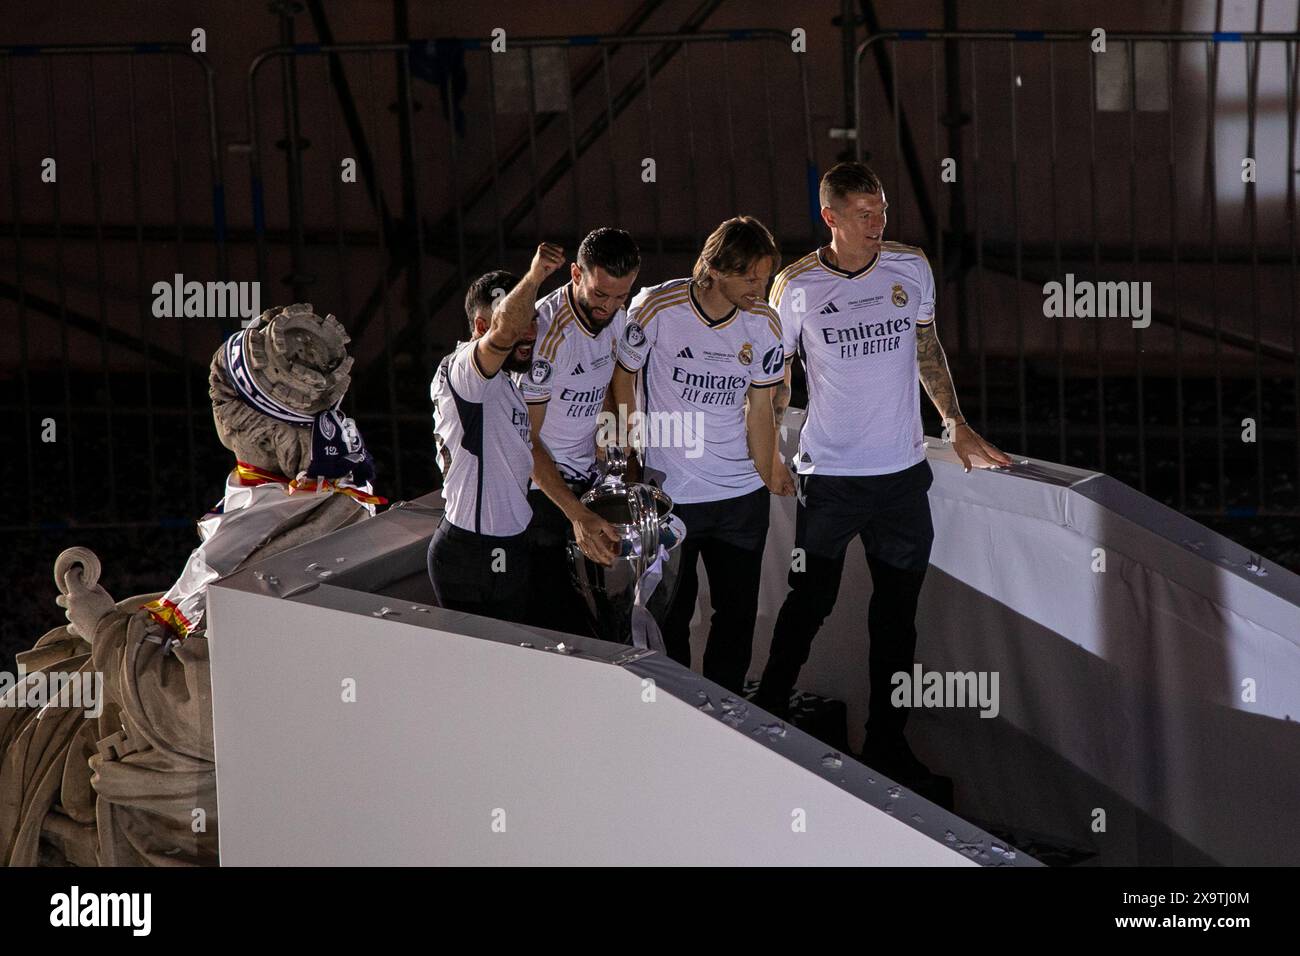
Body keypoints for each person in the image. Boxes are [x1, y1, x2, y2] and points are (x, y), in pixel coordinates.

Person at [753, 162, 1010, 788]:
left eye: (883, 210)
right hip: (831, 479)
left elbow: (926, 346)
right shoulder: (797, 286)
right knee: (810, 600)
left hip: (901, 478)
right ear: (831, 217)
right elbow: (774, 376)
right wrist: (767, 452)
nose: (878, 223)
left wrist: (955, 420)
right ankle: (765, 720)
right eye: (865, 214)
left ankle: (886, 744)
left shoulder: (909, 267)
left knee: (898, 619)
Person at [612, 216, 795, 694]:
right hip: (672, 496)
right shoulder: (656, 307)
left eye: (766, 276)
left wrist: (769, 467)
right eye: (751, 276)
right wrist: (631, 458)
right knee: (671, 611)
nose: (761, 286)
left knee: (736, 617)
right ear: (715, 269)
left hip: (740, 500)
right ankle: (676, 709)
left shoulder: (764, 322)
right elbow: (622, 379)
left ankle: (726, 712)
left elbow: (761, 408)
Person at [428, 243, 564, 622]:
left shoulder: (505, 383)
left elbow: (529, 452)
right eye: (521, 321)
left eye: (534, 320)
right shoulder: (465, 373)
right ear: (481, 328)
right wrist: (535, 277)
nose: (530, 331)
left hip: (509, 546)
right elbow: (505, 333)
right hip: (474, 553)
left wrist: (579, 515)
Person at [519, 227, 638, 635]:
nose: (609, 306)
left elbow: (607, 387)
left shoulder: (618, 317)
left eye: (621, 296)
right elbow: (525, 443)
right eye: (600, 294)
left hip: (587, 481)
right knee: (562, 630)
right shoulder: (547, 336)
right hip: (541, 495)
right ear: (575, 274)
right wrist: (576, 514)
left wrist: (618, 440)